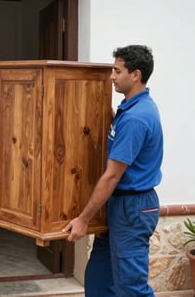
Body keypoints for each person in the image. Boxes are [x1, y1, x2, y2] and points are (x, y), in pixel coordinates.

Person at [62, 45, 163, 296]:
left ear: (136, 74)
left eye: (117, 71)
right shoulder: (129, 109)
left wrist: (84, 219)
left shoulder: (136, 117)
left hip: (133, 207)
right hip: (118, 205)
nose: (112, 77)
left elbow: (112, 176)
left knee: (131, 288)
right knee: (98, 280)